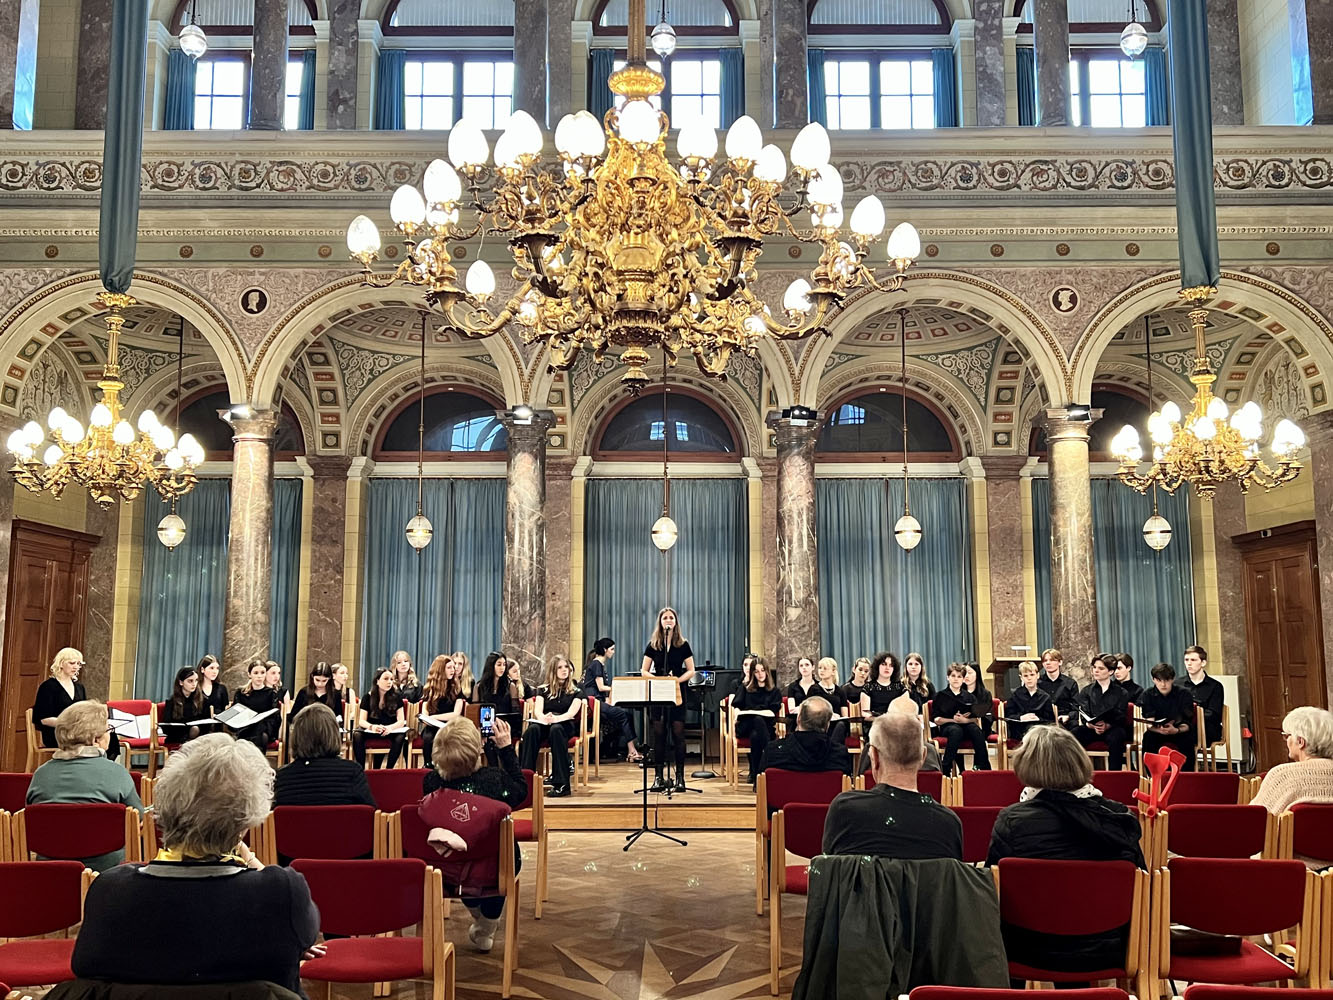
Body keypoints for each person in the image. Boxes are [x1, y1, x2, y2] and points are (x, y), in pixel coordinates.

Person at [70, 735, 322, 995]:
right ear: (247, 822)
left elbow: (86, 971)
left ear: (164, 807)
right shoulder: (280, 893)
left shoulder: (109, 890)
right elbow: (304, 936)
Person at [986, 725, 1145, 980]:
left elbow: (992, 891)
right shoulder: (1118, 818)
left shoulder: (1013, 820)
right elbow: (1142, 883)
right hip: (1109, 948)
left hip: (1030, 949)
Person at [422, 717, 526, 952]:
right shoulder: (495, 781)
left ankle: (483, 922)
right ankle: (487, 924)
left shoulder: (430, 783)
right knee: (492, 868)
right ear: (478, 749)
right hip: (495, 867)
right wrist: (506, 749)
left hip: (447, 865)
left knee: (467, 869)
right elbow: (520, 791)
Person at [822, 714, 962, 859]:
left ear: (874, 757)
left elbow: (830, 873)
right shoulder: (948, 823)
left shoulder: (844, 809)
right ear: (923, 756)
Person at [26, 701, 144, 872]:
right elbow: (138, 820)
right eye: (108, 730)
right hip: (106, 870)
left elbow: (32, 817)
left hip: (50, 867)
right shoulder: (116, 773)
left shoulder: (40, 774)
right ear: (95, 740)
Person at [273, 704, 376, 808]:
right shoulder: (352, 772)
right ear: (334, 734)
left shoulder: (282, 777)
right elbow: (369, 814)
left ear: (296, 736)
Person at [640, 606, 696, 792]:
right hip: (658, 693)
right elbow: (644, 671)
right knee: (659, 735)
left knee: (678, 734)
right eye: (665, 618)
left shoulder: (683, 644)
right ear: (660, 622)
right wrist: (658, 680)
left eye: (671, 617)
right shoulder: (653, 645)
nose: (668, 620)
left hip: (678, 692)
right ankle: (658, 777)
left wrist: (675, 681)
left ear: (675, 622)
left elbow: (691, 670)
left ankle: (680, 777)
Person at [33, 647, 120, 762]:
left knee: (109, 736)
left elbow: (85, 712)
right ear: (61, 664)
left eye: (78, 664)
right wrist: (71, 724)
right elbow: (44, 719)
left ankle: (102, 767)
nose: (76, 667)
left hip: (78, 731)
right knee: (91, 740)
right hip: (58, 733)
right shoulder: (48, 687)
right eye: (72, 663)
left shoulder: (79, 687)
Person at [519, 654, 583, 797]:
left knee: (556, 730)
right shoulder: (543, 690)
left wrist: (555, 719)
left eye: (566, 667)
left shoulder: (576, 691)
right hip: (546, 723)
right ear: (553, 670)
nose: (564, 670)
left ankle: (562, 785)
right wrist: (543, 718)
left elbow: (571, 713)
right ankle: (526, 782)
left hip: (564, 725)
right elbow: (537, 711)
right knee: (532, 730)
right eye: (560, 667)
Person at [1250, 706, 1333, 816]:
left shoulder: (1283, 776)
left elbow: (1254, 817)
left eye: (1287, 736)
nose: (1286, 741)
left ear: (1300, 741)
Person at [582, 636, 642, 763]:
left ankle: (630, 750)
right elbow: (601, 687)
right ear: (605, 649)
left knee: (626, 716)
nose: (613, 652)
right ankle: (632, 751)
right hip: (594, 704)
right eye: (612, 649)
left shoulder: (598, 664)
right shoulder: (597, 663)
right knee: (622, 715)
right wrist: (617, 689)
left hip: (598, 702)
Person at [760, 696, 853, 776]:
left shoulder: (773, 751)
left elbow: (761, 785)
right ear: (827, 724)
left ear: (798, 719)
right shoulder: (839, 754)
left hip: (784, 797)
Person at [1071, 653, 1130, 770]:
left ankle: (1115, 775)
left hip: (1112, 729)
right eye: (1094, 667)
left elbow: (1121, 716)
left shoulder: (1121, 692)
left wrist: (1107, 725)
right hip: (1091, 729)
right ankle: (1076, 774)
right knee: (1073, 734)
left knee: (1118, 735)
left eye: (1101, 668)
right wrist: (1092, 726)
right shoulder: (1086, 691)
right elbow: (1084, 714)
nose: (1096, 671)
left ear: (1111, 672)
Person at [932, 663, 992, 775]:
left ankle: (983, 767)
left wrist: (966, 721)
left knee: (976, 730)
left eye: (959, 676)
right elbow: (936, 719)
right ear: (947, 677)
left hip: (966, 725)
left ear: (963, 679)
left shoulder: (970, 697)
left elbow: (976, 719)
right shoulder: (940, 696)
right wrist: (953, 720)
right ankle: (946, 767)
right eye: (953, 676)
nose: (956, 679)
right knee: (956, 730)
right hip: (948, 727)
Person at [1136, 662, 1196, 771]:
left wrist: (1176, 730)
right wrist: (1158, 730)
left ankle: (1186, 775)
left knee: (1188, 738)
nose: (1163, 684)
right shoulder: (1147, 695)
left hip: (1178, 731)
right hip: (1157, 731)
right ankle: (1153, 776)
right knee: (1148, 738)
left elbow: (1187, 722)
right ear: (1153, 680)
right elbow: (1149, 722)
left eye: (1167, 680)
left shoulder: (1184, 694)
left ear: (1172, 679)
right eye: (1159, 680)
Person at [733, 656, 781, 783]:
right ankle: (767, 761)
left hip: (765, 728)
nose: (760, 674)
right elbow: (737, 709)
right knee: (757, 721)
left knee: (756, 735)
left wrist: (753, 712)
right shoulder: (745, 688)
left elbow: (772, 712)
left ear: (767, 671)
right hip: (745, 726)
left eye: (762, 670)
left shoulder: (774, 691)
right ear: (753, 673)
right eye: (756, 671)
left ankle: (756, 774)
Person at [418, 654, 467, 769]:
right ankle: (429, 767)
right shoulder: (429, 689)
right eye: (449, 667)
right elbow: (425, 713)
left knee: (450, 738)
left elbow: (456, 714)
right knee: (428, 738)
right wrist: (428, 718)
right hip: (432, 726)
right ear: (440, 670)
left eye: (453, 667)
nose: (453, 670)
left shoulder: (456, 689)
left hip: (450, 725)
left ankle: (449, 769)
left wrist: (434, 717)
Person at [353, 666, 406, 768]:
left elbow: (401, 721)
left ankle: (388, 769)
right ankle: (361, 769)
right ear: (377, 681)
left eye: (391, 679)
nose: (389, 682)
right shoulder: (367, 697)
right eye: (386, 679)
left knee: (401, 737)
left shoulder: (397, 697)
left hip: (389, 730)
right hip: (373, 730)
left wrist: (390, 728)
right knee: (357, 735)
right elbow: (362, 721)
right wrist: (372, 727)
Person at [228, 658, 282, 752]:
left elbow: (274, 718)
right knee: (244, 738)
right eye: (256, 673)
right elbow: (235, 714)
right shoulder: (241, 693)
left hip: (264, 730)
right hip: (245, 728)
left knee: (261, 736)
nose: (259, 676)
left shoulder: (271, 693)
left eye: (262, 672)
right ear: (249, 675)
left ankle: (256, 765)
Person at [1180, 644, 1224, 748]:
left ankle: (1181, 762)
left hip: (1207, 729)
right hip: (1182, 727)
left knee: (1183, 735)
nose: (1189, 663)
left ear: (1203, 662)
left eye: (1193, 660)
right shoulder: (1177, 684)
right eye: (1186, 660)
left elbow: (1214, 715)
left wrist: (1194, 711)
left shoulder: (1215, 686)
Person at [1004, 660, 1055, 743]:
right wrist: (1021, 718)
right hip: (1020, 729)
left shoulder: (1045, 697)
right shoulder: (1015, 695)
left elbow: (1050, 720)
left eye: (1032, 675)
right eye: (1025, 676)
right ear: (1021, 678)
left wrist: (1038, 719)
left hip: (1039, 730)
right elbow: (1008, 716)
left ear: (1037, 675)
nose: (1029, 678)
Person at [474, 651, 523, 736]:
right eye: (499, 664)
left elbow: (515, 714)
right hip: (485, 729)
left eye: (504, 665)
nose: (502, 668)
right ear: (491, 666)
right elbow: (475, 713)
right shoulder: (479, 687)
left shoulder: (510, 686)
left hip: (505, 728)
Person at [160, 665, 211, 744]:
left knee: (195, 729)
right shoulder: (172, 702)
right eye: (190, 681)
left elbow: (207, 725)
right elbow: (166, 727)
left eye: (196, 680)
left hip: (199, 738)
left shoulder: (203, 700)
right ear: (181, 682)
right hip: (178, 737)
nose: (194, 684)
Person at [289, 661, 344, 727]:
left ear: (329, 679)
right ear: (312, 677)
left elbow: (339, 718)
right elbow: (294, 716)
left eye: (324, 681)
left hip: (327, 729)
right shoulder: (304, 692)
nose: (320, 684)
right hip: (306, 728)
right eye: (317, 680)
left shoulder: (335, 694)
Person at [1037, 647, 1079, 726]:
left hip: (1064, 721)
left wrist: (1068, 716)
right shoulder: (1037, 683)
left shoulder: (1070, 683)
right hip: (1043, 721)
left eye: (1052, 660)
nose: (1048, 663)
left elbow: (1076, 708)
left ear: (1060, 662)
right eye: (1045, 661)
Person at [814, 656, 850, 743]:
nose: (821, 670)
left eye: (825, 668)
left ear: (833, 671)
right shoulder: (814, 689)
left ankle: (831, 749)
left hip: (837, 723)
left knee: (842, 725)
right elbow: (811, 712)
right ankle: (832, 750)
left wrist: (838, 717)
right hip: (820, 722)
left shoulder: (840, 691)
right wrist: (829, 715)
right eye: (820, 668)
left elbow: (844, 716)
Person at [962, 662, 995, 740]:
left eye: (969, 673)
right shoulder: (958, 693)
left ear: (977, 674)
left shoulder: (985, 694)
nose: (966, 676)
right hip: (961, 727)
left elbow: (988, 717)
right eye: (964, 673)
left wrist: (971, 719)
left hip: (980, 728)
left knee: (974, 730)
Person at [784, 656, 818, 731]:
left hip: (815, 719)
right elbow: (792, 710)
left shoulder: (819, 686)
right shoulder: (793, 686)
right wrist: (811, 709)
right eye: (801, 666)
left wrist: (800, 708)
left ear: (813, 667)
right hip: (796, 719)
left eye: (807, 665)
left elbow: (820, 708)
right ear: (799, 669)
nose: (804, 668)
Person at [865, 651, 901, 718]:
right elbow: (865, 714)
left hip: (896, 723)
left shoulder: (900, 687)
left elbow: (906, 710)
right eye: (884, 664)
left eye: (891, 665)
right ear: (877, 666)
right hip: (875, 724)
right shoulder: (868, 687)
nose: (887, 668)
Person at [197, 653, 229, 717]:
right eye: (211, 668)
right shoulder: (195, 687)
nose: (215, 671)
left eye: (217, 668)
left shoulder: (221, 688)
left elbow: (225, 711)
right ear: (202, 669)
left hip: (217, 725)